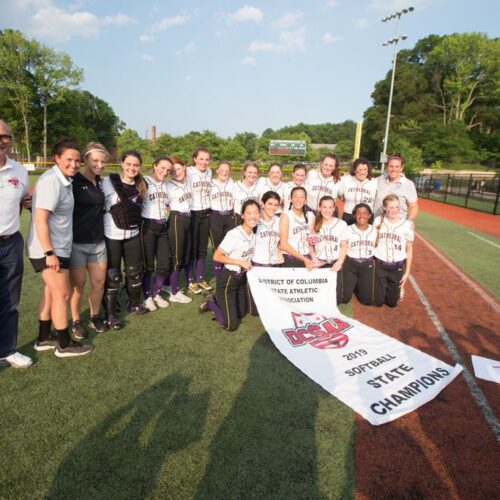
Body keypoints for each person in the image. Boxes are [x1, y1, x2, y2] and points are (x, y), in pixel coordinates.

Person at [27, 138, 93, 357]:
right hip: (49, 250)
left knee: (50, 291)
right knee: (62, 294)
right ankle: (64, 344)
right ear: (56, 158)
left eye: (77, 160)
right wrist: (49, 253)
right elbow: (40, 219)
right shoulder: (52, 182)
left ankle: (44, 338)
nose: (74, 164)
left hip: (59, 248)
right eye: (68, 160)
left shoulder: (63, 180)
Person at [102, 150, 148, 329]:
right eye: (128, 164)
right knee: (113, 275)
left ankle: (134, 302)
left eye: (136, 165)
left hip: (132, 236)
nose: (132, 168)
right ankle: (110, 314)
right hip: (112, 235)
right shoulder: (108, 182)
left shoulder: (142, 185)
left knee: (134, 272)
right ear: (121, 163)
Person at [0, 120, 33, 368]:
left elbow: (25, 200)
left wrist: (29, 203)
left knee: (10, 299)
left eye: (5, 137)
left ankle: (7, 350)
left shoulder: (19, 171)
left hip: (10, 242)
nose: (1, 141)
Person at [199, 200, 260, 331]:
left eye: (256, 213)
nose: (253, 216)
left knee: (242, 313)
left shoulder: (253, 235)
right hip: (228, 280)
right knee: (231, 325)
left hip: (241, 279)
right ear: (242, 215)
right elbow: (217, 256)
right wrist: (240, 262)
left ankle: (217, 299)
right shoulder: (234, 234)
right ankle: (211, 303)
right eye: (249, 213)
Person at [69, 142, 109, 340]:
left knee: (99, 282)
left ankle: (94, 316)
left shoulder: (101, 182)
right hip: (77, 242)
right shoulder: (72, 181)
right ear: (85, 159)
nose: (99, 165)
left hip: (98, 242)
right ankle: (76, 321)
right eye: (95, 160)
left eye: (103, 161)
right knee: (78, 285)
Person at [141, 156, 172, 312]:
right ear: (154, 165)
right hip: (148, 226)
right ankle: (147, 297)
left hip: (162, 227)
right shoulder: (144, 181)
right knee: (148, 265)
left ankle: (156, 293)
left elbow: (168, 205)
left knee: (164, 263)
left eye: (167, 170)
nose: (164, 172)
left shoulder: (166, 185)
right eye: (162, 167)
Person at [373, 194, 414, 307]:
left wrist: (407, 273)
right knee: (378, 302)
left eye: (396, 207)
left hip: (397, 267)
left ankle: (398, 290)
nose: (394, 210)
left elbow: (409, 250)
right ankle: (383, 286)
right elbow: (373, 242)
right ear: (384, 208)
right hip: (380, 265)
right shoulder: (378, 221)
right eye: (391, 207)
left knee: (392, 304)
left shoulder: (407, 225)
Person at [337, 203, 377, 305]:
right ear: (354, 215)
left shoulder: (375, 231)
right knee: (343, 299)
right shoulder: (347, 229)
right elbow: (342, 246)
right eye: (358, 213)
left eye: (365, 213)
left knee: (367, 301)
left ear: (369, 215)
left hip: (367, 265)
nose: (361, 216)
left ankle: (359, 283)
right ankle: (352, 283)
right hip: (350, 264)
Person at [165, 157, 192, 304]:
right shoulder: (168, 185)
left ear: (184, 167)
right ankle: (174, 293)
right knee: (177, 257)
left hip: (188, 218)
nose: (176, 172)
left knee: (185, 257)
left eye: (178, 168)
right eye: (173, 170)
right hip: (176, 218)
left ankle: (167, 284)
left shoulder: (189, 180)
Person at [187, 147, 213, 295]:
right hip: (193, 213)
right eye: (201, 158)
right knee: (192, 249)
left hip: (206, 214)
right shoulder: (189, 171)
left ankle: (200, 277)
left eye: (207, 159)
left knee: (202, 248)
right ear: (195, 159)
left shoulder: (210, 172)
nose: (204, 162)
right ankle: (191, 280)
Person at [209, 161, 236, 280]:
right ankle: (218, 276)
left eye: (227, 170)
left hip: (229, 217)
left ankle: (228, 273)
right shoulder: (210, 184)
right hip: (215, 217)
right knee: (218, 247)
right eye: (222, 170)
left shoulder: (232, 184)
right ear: (217, 170)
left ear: (230, 172)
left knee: (230, 247)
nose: (224, 172)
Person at [373, 154, 418, 222]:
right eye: (391, 166)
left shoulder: (408, 184)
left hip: (398, 227)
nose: (394, 169)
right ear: (387, 167)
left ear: (401, 168)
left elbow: (413, 206)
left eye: (397, 166)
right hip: (379, 224)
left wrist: (409, 220)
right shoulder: (379, 180)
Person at [279, 187, 316, 269]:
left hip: (307, 258)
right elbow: (283, 244)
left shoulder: (311, 216)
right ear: (291, 199)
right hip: (291, 259)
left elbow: (310, 241)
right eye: (295, 197)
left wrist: (314, 257)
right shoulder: (286, 216)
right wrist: (304, 259)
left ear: (306, 200)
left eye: (301, 197)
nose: (298, 200)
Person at [311, 196, 348, 274]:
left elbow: (344, 245)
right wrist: (314, 258)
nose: (327, 210)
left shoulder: (342, 224)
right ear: (319, 208)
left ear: (334, 208)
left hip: (336, 264)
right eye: (324, 207)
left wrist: (340, 262)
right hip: (319, 265)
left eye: (330, 207)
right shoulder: (313, 224)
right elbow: (310, 245)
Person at [337, 158, 377, 225]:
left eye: (365, 169)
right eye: (360, 170)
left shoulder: (374, 182)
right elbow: (337, 192)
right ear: (354, 170)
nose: (363, 172)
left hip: (366, 217)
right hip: (349, 215)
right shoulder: (345, 180)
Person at [252, 191, 283, 267]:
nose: (273, 207)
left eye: (276, 205)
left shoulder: (280, 221)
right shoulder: (253, 220)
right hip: (258, 263)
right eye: (270, 204)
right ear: (262, 204)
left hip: (276, 264)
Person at [233, 161, 260, 225]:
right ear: (244, 173)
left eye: (255, 173)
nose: (252, 175)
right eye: (250, 172)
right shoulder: (235, 186)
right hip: (240, 218)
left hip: (254, 218)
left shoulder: (259, 186)